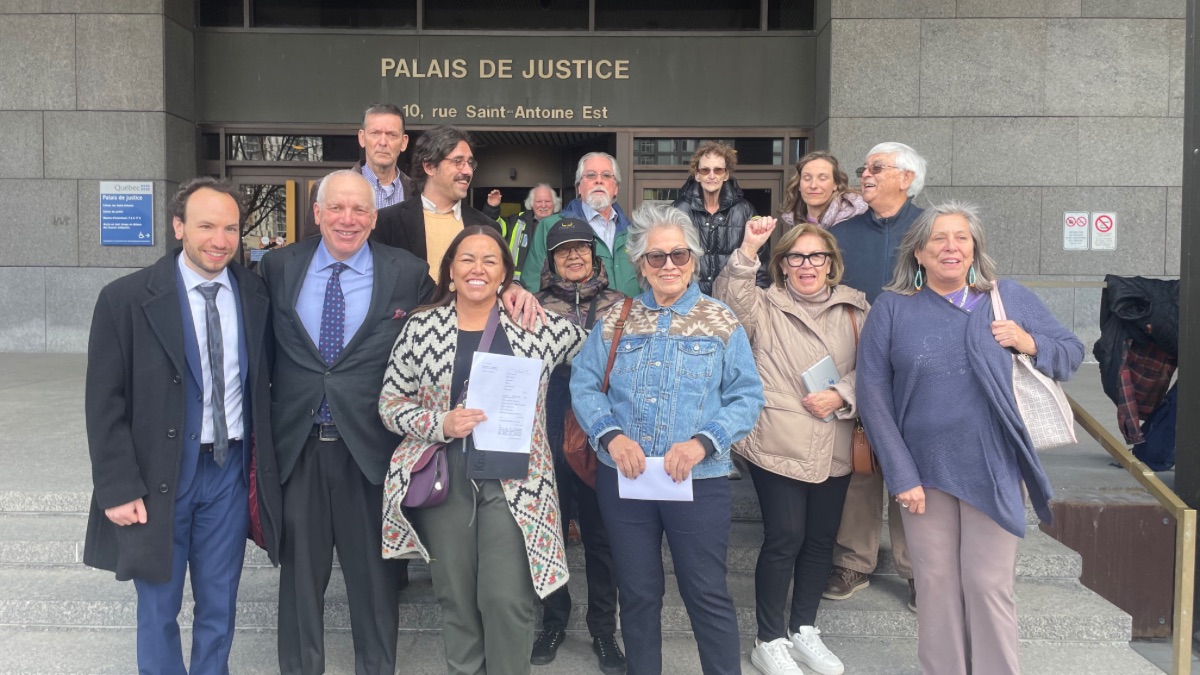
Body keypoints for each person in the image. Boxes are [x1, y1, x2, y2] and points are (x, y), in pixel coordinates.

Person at [857, 201, 1084, 674]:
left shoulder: (1008, 298)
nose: (951, 247)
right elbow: (873, 395)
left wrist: (1029, 342)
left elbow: (1071, 352)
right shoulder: (892, 309)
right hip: (923, 471)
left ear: (974, 247)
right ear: (918, 253)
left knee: (987, 585)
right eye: (938, 238)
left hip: (994, 465)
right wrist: (900, 474)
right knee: (936, 585)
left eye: (961, 237)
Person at [83, 177, 283, 673]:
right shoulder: (124, 299)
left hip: (228, 474)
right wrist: (116, 487)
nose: (220, 240)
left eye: (231, 228)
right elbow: (104, 403)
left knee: (220, 608)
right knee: (158, 609)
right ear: (178, 227)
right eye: (207, 226)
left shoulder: (255, 294)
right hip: (156, 479)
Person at [378, 226, 588, 675]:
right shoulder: (421, 327)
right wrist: (439, 423)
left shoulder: (534, 325)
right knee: (455, 596)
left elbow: (598, 354)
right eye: (467, 259)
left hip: (516, 479)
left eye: (490, 260)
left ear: (506, 275)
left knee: (507, 599)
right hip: (445, 474)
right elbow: (390, 404)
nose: (478, 269)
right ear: (450, 271)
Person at [571, 202, 765, 675]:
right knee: (637, 593)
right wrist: (610, 436)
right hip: (628, 481)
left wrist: (702, 441)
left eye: (678, 255)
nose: (669, 266)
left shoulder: (720, 320)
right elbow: (583, 382)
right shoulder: (617, 319)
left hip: (698, 480)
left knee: (706, 593)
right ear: (641, 265)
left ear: (694, 260)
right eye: (656, 257)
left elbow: (747, 396)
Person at [261, 169, 435, 674]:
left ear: (374, 216)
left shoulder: (406, 271)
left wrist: (512, 291)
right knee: (298, 586)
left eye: (360, 209)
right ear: (316, 213)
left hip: (371, 451)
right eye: (336, 208)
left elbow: (454, 312)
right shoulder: (277, 267)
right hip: (299, 448)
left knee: (376, 587)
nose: (348, 219)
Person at [713, 217, 866, 675]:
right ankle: (769, 637)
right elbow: (728, 301)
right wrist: (747, 250)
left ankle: (804, 629)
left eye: (816, 256)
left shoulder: (856, 309)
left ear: (830, 263)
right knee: (785, 537)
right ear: (781, 264)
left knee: (820, 541)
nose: (806, 265)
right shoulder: (764, 305)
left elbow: (876, 369)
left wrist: (842, 393)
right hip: (779, 438)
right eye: (795, 256)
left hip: (835, 435)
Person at [824, 141, 926, 610]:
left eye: (877, 168)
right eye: (864, 168)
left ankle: (917, 568)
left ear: (906, 178)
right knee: (861, 463)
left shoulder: (931, 229)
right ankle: (854, 560)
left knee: (912, 466)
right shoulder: (841, 232)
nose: (865, 175)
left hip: (918, 367)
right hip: (857, 362)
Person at [529, 218, 628, 673]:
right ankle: (553, 620)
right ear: (550, 260)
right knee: (549, 534)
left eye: (581, 248)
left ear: (595, 254)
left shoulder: (623, 307)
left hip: (599, 437)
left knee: (601, 538)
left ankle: (604, 630)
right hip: (545, 434)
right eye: (564, 250)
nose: (574, 256)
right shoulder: (530, 306)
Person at [373, 125, 500, 278]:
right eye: (458, 161)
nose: (467, 171)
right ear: (430, 166)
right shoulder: (387, 222)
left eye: (470, 163)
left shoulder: (487, 227)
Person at [521, 152, 641, 297]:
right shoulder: (551, 226)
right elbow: (532, 283)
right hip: (575, 319)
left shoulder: (634, 232)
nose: (598, 180)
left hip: (629, 317)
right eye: (590, 175)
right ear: (579, 187)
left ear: (616, 188)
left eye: (606, 175)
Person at [300, 102, 413, 240]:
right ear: (362, 138)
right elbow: (313, 246)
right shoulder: (327, 188)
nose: (383, 142)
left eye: (392, 135)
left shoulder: (417, 191)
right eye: (375, 133)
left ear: (404, 142)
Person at [670, 141, 762, 295]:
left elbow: (760, 263)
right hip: (689, 303)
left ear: (726, 174)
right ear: (697, 175)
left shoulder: (744, 210)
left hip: (733, 302)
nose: (711, 176)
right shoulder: (678, 210)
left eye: (718, 170)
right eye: (705, 170)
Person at [779, 151, 867, 229]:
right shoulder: (795, 223)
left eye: (822, 178)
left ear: (835, 184)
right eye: (807, 178)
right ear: (799, 184)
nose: (813, 185)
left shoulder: (856, 222)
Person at [501, 184, 561, 285]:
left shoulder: (563, 223)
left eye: (547, 201)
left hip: (553, 287)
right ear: (531, 204)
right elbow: (494, 228)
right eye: (538, 201)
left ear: (554, 204)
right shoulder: (516, 221)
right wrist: (492, 209)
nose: (543, 205)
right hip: (518, 285)